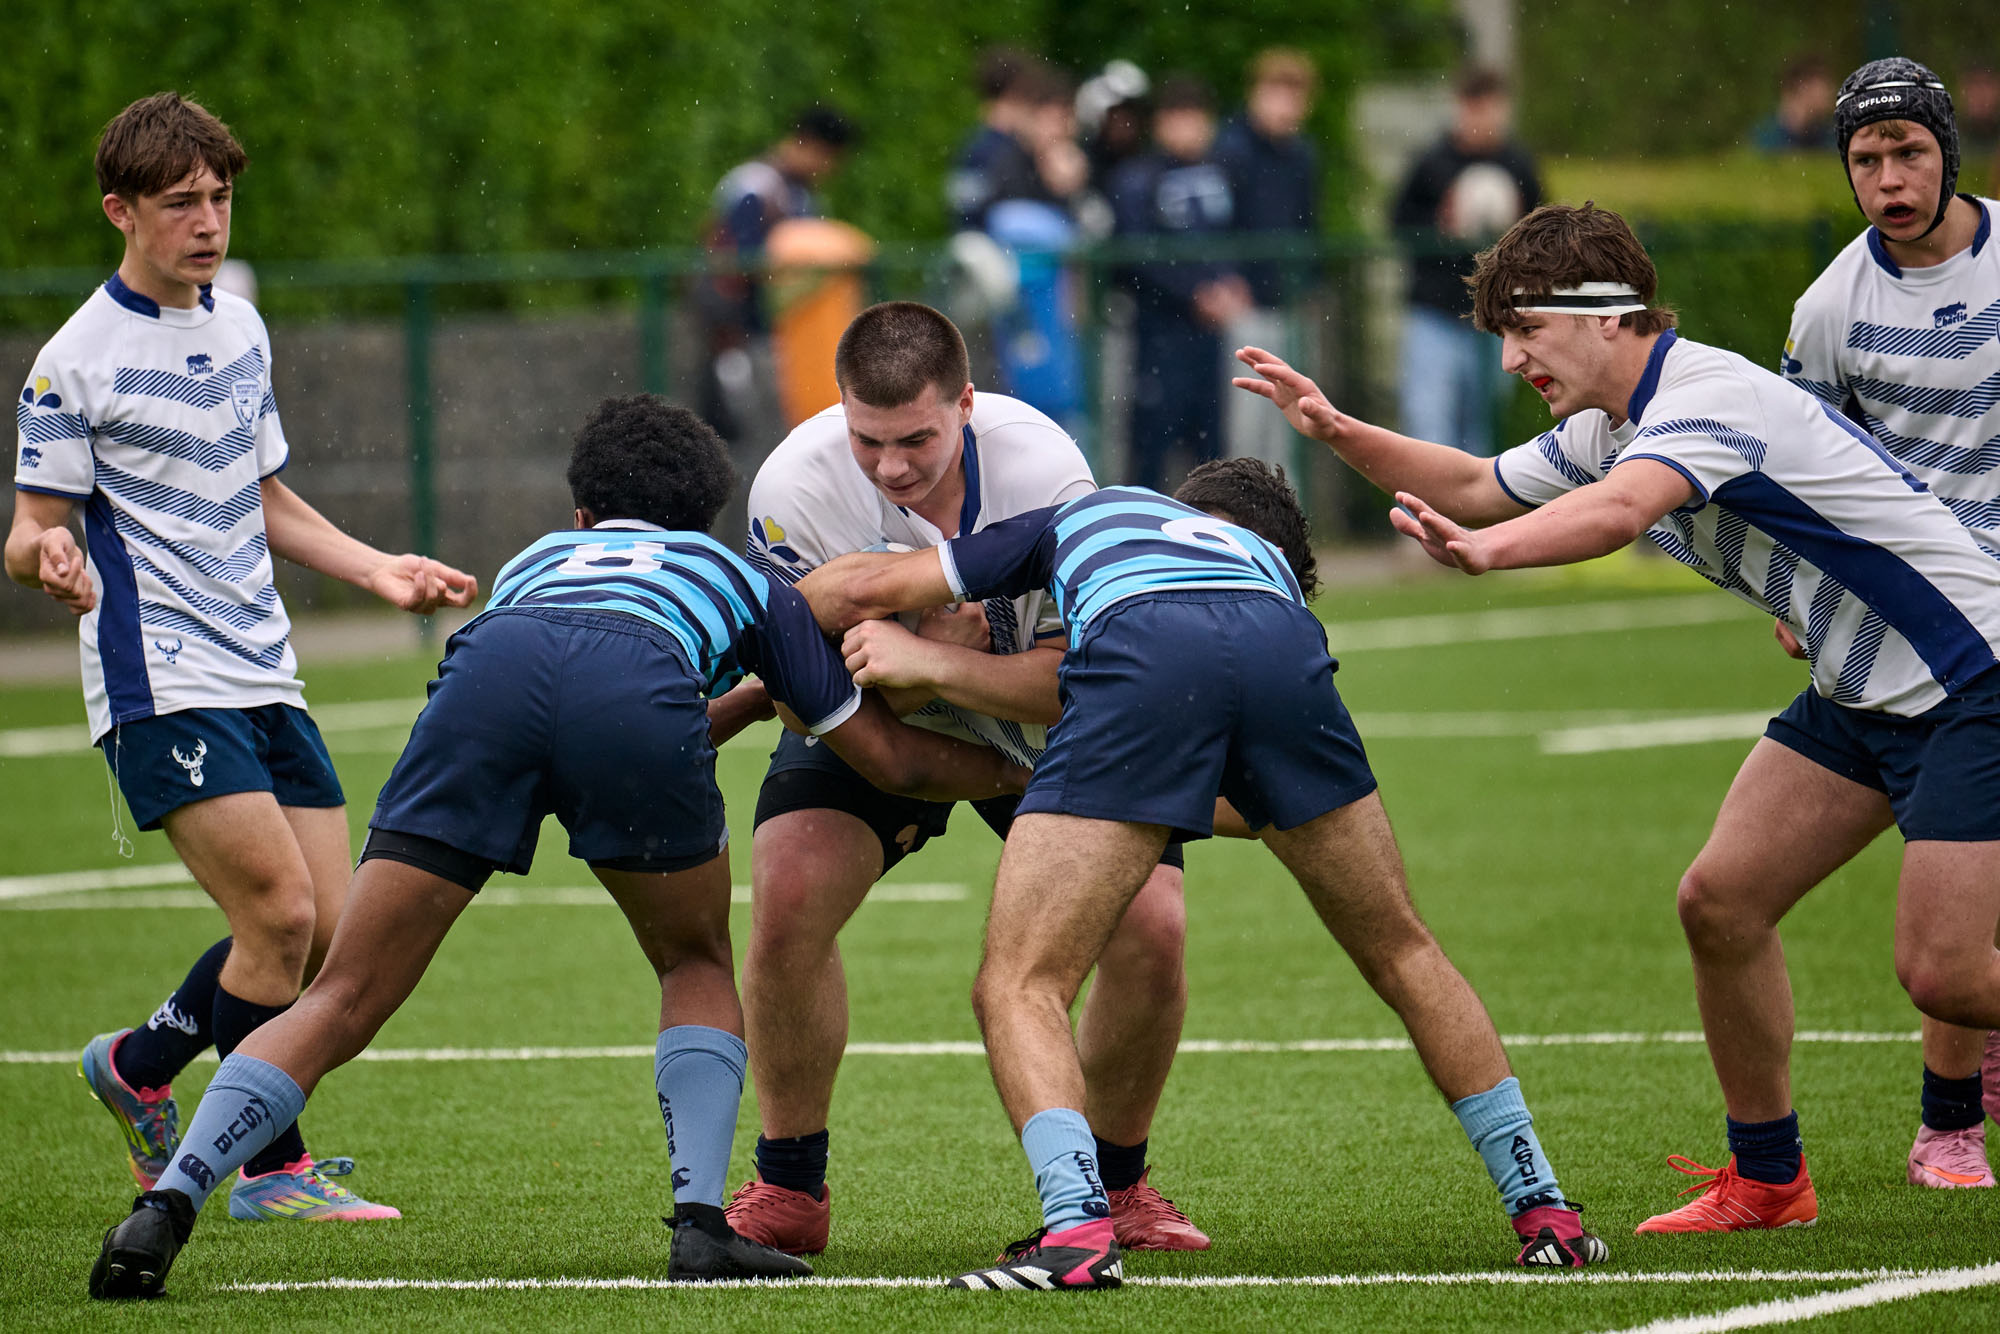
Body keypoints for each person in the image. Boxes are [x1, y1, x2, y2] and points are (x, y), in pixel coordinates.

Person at [84, 395, 1037, 1299]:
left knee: (342, 993)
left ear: (583, 513)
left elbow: (567, 684)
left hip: (488, 679)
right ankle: (700, 1225)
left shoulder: (536, 558)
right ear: (706, 517)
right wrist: (1023, 769)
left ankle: (165, 1205)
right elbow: (886, 763)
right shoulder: (743, 577)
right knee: (694, 960)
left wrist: (728, 703)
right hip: (635, 698)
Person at [1236, 201, 2000, 1235]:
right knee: (1720, 904)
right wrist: (1334, 429)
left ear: (1606, 314)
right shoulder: (1609, 426)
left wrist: (1487, 555)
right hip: (1863, 689)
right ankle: (1768, 1181)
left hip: (1969, 674)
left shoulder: (1705, 396)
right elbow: (1474, 483)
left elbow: (1619, 510)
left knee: (1946, 974)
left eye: (1525, 329)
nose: (1510, 359)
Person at [794, 461, 1608, 1288]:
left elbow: (866, 586)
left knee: (1021, 982)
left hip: (1144, 652)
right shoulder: (1263, 566)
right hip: (1283, 649)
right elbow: (1261, 812)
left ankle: (1078, 1234)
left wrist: (770, 619)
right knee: (1403, 948)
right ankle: (1547, 1212)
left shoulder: (1090, 512)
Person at [8, 92, 477, 1224]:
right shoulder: (75, 360)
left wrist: (377, 569)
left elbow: (262, 494)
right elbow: (30, 527)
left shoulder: (240, 327)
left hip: (263, 663)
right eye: (180, 202)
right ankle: (270, 1169)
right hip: (161, 676)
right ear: (120, 211)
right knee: (277, 914)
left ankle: (140, 1065)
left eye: (219, 197)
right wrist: (46, 560)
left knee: (322, 933)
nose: (208, 221)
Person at [730, 301, 1209, 1256]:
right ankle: (789, 1185)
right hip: (873, 717)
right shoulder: (791, 485)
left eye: (916, 439)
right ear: (841, 410)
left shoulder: (1045, 469)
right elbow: (795, 700)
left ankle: (1117, 1186)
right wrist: (910, 686)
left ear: (966, 405)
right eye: (869, 440)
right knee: (788, 896)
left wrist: (938, 661)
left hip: (1027, 717)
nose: (891, 467)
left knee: (1152, 927)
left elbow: (1075, 685)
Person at [1781, 57, 2000, 1190]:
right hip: (1905, 628)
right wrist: (1799, 594)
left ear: (1946, 152)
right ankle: (1947, 1124)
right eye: (1865, 160)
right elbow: (1794, 465)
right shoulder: (1830, 308)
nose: (1888, 179)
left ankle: (1950, 1122)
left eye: (1907, 152)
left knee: (1960, 898)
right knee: (1948, 894)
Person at [1107, 75, 1253, 491]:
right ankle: (1142, 525)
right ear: (1162, 122)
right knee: (1152, 440)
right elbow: (1136, 254)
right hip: (1159, 333)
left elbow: (1239, 235)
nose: (1191, 128)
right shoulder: (1138, 177)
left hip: (1211, 334)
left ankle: (1212, 525)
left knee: (1212, 446)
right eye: (1181, 117)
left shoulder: (1224, 171)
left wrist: (1235, 283)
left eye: (1197, 117)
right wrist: (1193, 293)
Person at [1389, 64, 1542, 456]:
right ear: (1460, 107)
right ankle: (1424, 499)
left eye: (1490, 107)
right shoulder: (1431, 162)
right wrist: (1440, 226)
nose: (1482, 119)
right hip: (1435, 315)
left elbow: (1545, 231)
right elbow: (1399, 224)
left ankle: (1474, 501)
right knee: (1428, 425)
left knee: (1481, 429)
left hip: (1496, 321)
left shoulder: (1518, 164)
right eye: (1474, 107)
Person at [695, 106, 857, 453]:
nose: (829, 169)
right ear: (809, 144)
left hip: (776, 326)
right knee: (738, 422)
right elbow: (740, 260)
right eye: (828, 158)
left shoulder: (800, 193)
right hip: (737, 325)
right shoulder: (756, 186)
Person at [1214, 48, 1321, 469]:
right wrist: (1225, 278)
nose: (1285, 106)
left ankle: (1282, 503)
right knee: (1246, 421)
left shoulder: (1302, 156)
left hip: (1288, 305)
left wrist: (1309, 286)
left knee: (1289, 423)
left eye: (1294, 95)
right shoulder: (1230, 150)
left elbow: (1308, 224)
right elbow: (1215, 222)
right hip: (1245, 308)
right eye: (1276, 93)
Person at [1751, 56, 1837, 153]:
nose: (1830, 91)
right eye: (1824, 84)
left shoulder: (1829, 138)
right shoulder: (1765, 141)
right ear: (1802, 87)